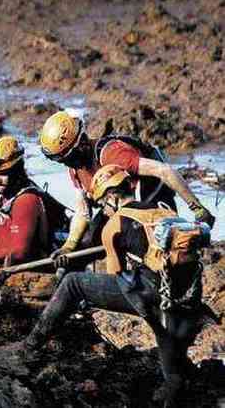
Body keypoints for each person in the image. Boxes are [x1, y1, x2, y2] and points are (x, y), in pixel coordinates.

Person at [18, 164, 214, 407]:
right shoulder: (163, 210)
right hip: (184, 292)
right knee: (168, 348)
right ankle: (182, 387)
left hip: (152, 292)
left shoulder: (113, 225)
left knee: (73, 283)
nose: (104, 209)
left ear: (111, 197)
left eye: (102, 204)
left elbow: (116, 272)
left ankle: (29, 346)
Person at [38, 110, 215, 261]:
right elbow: (82, 212)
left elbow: (165, 171)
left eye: (67, 158)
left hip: (151, 204)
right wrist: (69, 247)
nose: (66, 164)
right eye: (60, 160)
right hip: (119, 210)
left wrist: (197, 208)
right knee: (85, 244)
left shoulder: (112, 153)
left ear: (81, 144)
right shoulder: (75, 170)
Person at [0, 135, 69, 266]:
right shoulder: (9, 194)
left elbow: (19, 253)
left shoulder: (26, 200)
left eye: (3, 173)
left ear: (16, 171)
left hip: (42, 267)